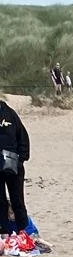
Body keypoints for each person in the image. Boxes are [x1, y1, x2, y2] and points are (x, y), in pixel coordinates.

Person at [0, 97, 31, 236]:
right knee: (0, 202)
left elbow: (23, 137)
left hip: (14, 167)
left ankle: (24, 231)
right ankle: (4, 231)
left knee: (17, 201)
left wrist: (21, 159)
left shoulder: (10, 114)